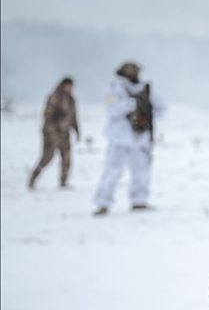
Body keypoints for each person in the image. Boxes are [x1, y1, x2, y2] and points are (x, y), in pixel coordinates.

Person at [92, 61, 166, 215]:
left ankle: (139, 201)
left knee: (142, 172)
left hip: (141, 137)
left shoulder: (146, 89)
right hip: (120, 137)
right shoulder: (114, 89)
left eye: (136, 71)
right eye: (131, 71)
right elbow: (111, 109)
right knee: (112, 171)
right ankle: (103, 203)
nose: (134, 74)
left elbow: (161, 109)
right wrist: (132, 107)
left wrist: (146, 117)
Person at [28, 77, 79, 189]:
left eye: (71, 86)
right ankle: (33, 178)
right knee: (47, 157)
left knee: (67, 158)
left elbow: (73, 117)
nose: (70, 88)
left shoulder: (71, 99)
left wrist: (77, 130)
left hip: (65, 133)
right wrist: (52, 132)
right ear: (63, 85)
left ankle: (63, 182)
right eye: (68, 86)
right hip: (52, 133)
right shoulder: (54, 97)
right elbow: (47, 115)